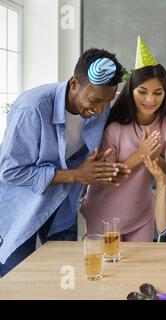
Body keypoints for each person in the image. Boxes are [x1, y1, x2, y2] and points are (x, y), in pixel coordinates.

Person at [0, 48, 128, 277]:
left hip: (63, 202)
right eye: (94, 100)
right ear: (74, 84)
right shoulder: (32, 108)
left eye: (106, 102)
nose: (99, 109)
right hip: (22, 205)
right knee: (17, 277)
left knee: (63, 274)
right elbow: (10, 171)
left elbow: (80, 155)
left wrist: (101, 170)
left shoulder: (101, 103)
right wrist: (76, 175)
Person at [81, 42, 166, 242]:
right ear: (131, 90)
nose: (150, 99)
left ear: (165, 93)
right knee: (106, 268)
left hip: (141, 213)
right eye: (142, 92)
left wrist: (155, 159)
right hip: (104, 214)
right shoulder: (114, 128)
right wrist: (141, 155)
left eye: (157, 93)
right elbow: (105, 178)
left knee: (140, 271)